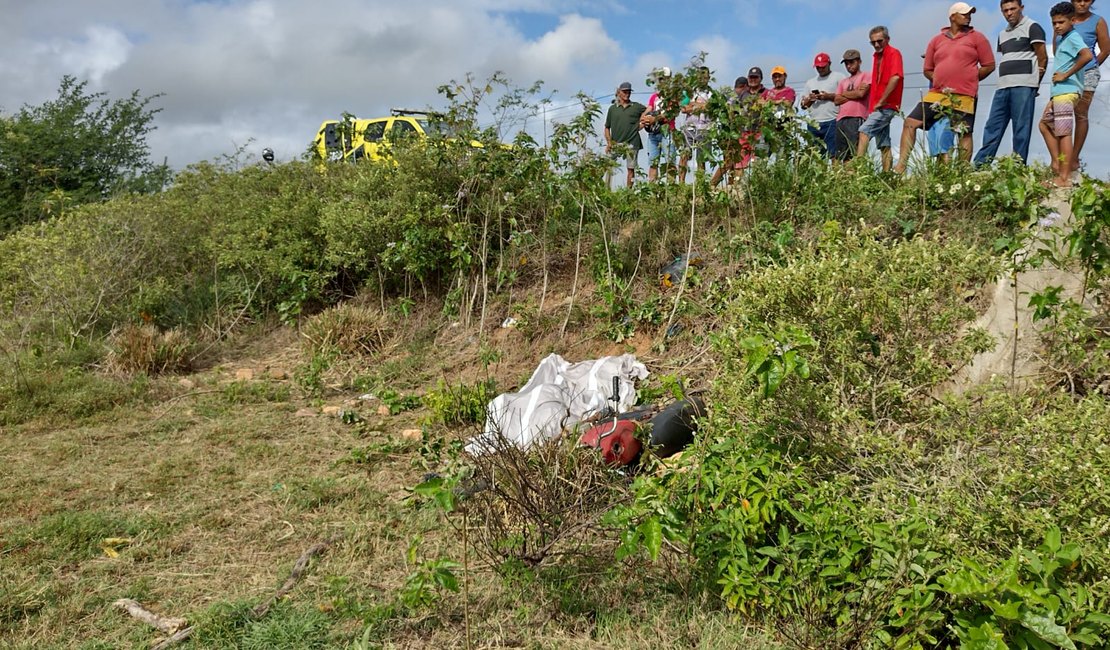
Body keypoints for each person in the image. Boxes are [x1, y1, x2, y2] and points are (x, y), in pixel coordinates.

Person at [895, 2, 995, 173]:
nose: (968, 16)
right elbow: (927, 69)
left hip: (964, 94)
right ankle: (900, 168)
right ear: (952, 17)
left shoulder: (977, 37)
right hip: (937, 94)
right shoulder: (936, 40)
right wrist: (939, 78)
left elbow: (989, 65)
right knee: (910, 122)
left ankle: (962, 172)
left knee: (964, 132)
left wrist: (969, 78)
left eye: (969, 13)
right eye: (964, 14)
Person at [973, 0, 1048, 166]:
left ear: (1021, 8)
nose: (1009, 13)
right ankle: (979, 166)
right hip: (1003, 86)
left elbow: (1042, 57)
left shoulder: (1033, 27)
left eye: (1013, 9)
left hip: (1024, 85)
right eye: (1005, 10)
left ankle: (1017, 168)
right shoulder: (1002, 34)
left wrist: (1035, 83)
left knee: (1021, 129)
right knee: (992, 126)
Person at [1040, 2, 1094, 188]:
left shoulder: (1073, 37)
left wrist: (1066, 75)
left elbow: (1087, 55)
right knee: (1045, 124)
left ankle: (1064, 178)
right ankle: (1058, 163)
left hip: (1067, 91)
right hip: (1059, 93)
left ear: (1072, 20)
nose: (1057, 26)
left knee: (1064, 134)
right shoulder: (1063, 38)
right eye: (1054, 23)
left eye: (1061, 22)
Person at [1065, 0, 1109, 180]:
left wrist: (1090, 66)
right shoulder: (1065, 20)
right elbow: (1058, 45)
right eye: (1077, 0)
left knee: (1081, 113)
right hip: (1067, 72)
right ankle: (1063, 157)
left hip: (1088, 72)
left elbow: (1105, 50)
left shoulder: (1097, 21)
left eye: (1086, 0)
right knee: (1061, 113)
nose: (1081, 3)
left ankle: (1074, 158)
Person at [711, 72, 771, 186]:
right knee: (733, 162)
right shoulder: (738, 96)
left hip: (751, 132)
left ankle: (731, 186)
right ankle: (721, 185)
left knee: (743, 162)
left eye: (755, 77)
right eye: (751, 77)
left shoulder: (765, 93)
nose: (753, 80)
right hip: (735, 133)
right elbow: (731, 112)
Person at [857, 26, 904, 171]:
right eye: (873, 42)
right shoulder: (876, 57)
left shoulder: (894, 53)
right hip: (877, 105)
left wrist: (882, 100)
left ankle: (857, 169)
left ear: (887, 39)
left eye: (880, 41)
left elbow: (896, 77)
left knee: (864, 131)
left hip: (887, 105)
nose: (876, 45)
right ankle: (886, 175)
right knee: (884, 143)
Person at [801, 53, 846, 157]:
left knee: (835, 154)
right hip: (814, 123)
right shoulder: (810, 82)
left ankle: (836, 173)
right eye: (818, 67)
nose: (820, 69)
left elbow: (845, 96)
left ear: (829, 64)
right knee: (815, 156)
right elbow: (803, 105)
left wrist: (828, 96)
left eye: (822, 66)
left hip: (833, 121)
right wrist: (811, 99)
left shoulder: (839, 77)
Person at [604, 81, 647, 187]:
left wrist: (641, 124)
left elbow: (649, 112)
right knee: (607, 166)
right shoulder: (613, 109)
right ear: (619, 92)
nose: (627, 94)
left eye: (629, 92)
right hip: (616, 143)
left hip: (632, 142)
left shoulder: (636, 107)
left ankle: (629, 192)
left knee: (631, 169)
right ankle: (606, 189)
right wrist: (609, 142)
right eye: (624, 91)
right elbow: (606, 127)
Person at [834, 49, 871, 162]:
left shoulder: (866, 75)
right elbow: (836, 100)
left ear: (859, 61)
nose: (849, 66)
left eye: (852, 62)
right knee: (842, 154)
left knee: (855, 150)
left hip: (857, 117)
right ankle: (846, 177)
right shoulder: (843, 81)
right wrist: (852, 94)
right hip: (841, 119)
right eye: (846, 63)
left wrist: (844, 94)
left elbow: (861, 94)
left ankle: (855, 175)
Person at [678, 67, 712, 184]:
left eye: (705, 77)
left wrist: (693, 105)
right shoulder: (689, 92)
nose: (702, 79)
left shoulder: (712, 93)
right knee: (684, 156)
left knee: (701, 159)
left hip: (705, 129)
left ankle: (700, 184)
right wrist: (701, 105)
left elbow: (710, 107)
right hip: (689, 128)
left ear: (708, 78)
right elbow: (683, 108)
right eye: (700, 77)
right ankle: (681, 183)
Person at [642, 67, 677, 183]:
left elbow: (671, 113)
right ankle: (652, 189)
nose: (662, 82)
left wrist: (654, 119)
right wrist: (643, 117)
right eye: (660, 79)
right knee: (653, 163)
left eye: (664, 79)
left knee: (670, 162)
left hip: (667, 131)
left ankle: (671, 189)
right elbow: (649, 108)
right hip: (653, 133)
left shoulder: (672, 96)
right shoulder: (654, 96)